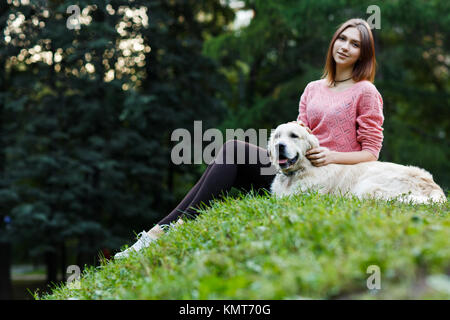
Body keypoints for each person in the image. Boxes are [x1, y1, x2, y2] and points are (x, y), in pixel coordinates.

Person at [114, 18, 384, 259]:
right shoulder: (313, 88)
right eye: (342, 38)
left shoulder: (366, 92)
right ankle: (159, 232)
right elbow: (300, 131)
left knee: (230, 153)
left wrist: (332, 155)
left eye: (355, 44)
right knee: (232, 152)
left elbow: (372, 153)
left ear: (364, 54)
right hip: (293, 171)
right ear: (334, 41)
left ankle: (163, 231)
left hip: (327, 179)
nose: (345, 46)